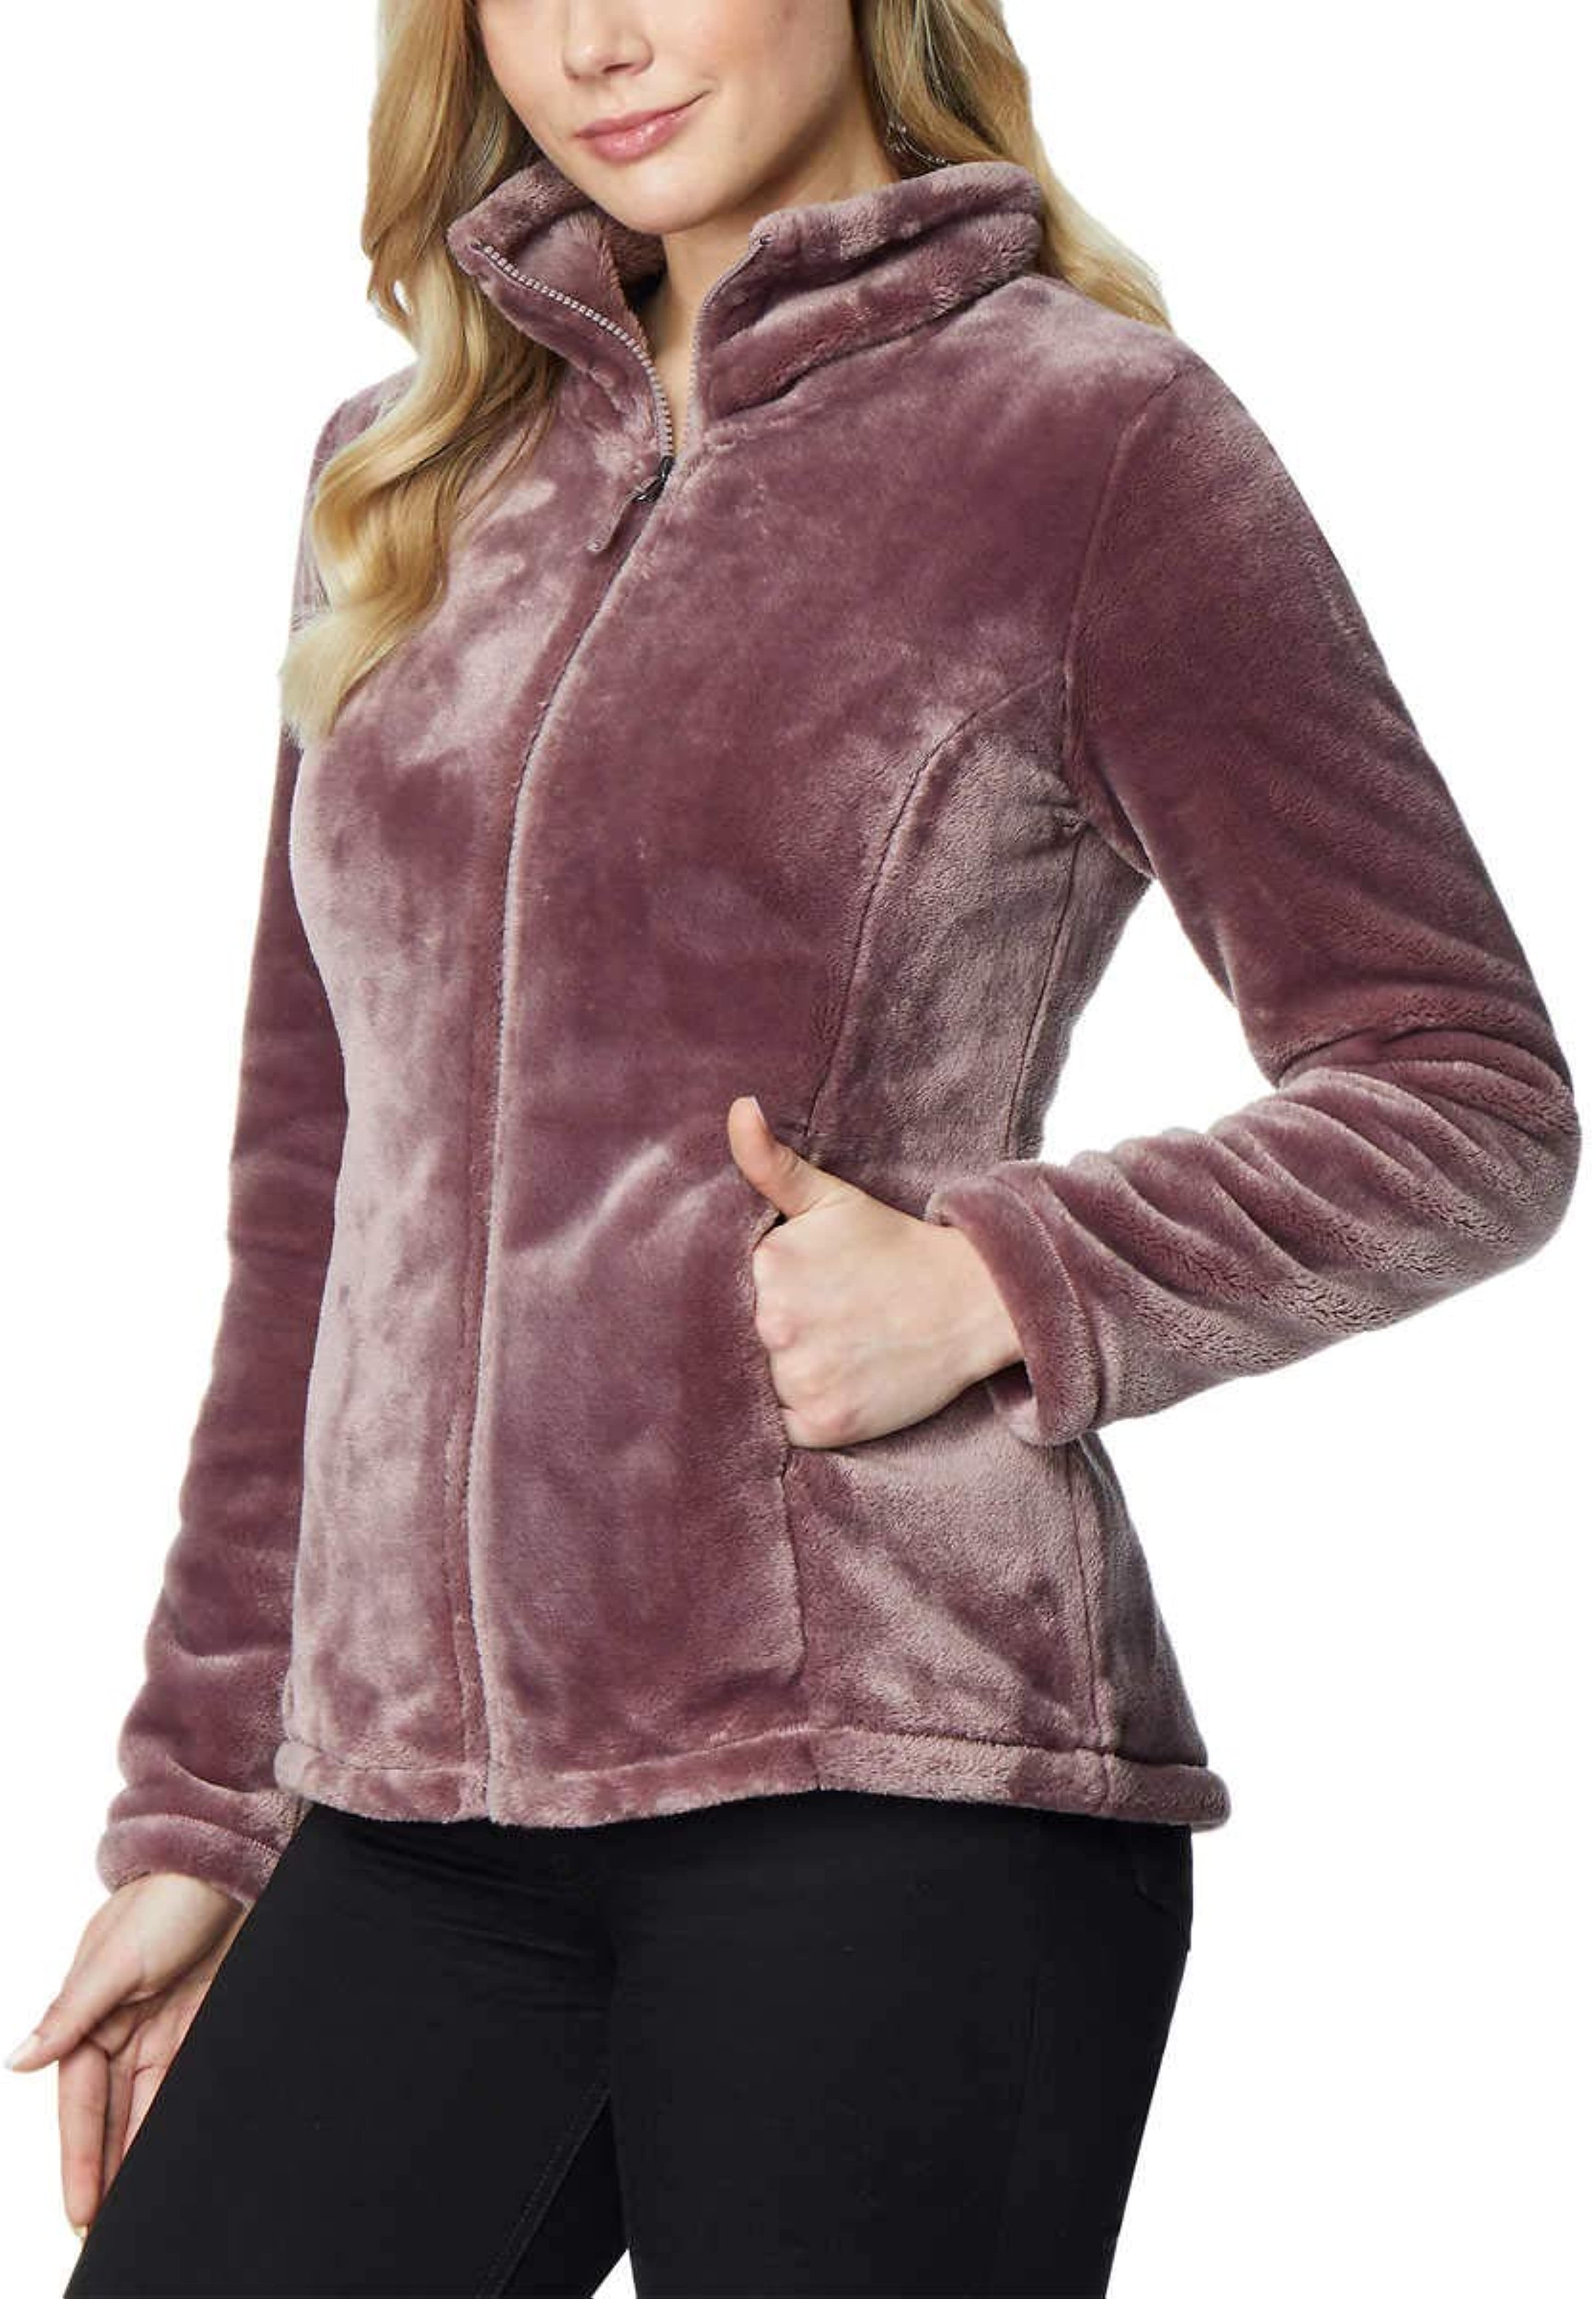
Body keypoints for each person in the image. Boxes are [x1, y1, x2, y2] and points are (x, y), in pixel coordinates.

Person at [12, 1, 1579, 2293]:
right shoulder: (407, 473)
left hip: (894, 1790)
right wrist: (203, 1802)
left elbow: (1460, 1082)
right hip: (418, 1819)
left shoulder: (1087, 441)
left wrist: (1002, 1278)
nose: (594, 43)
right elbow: (313, 1194)